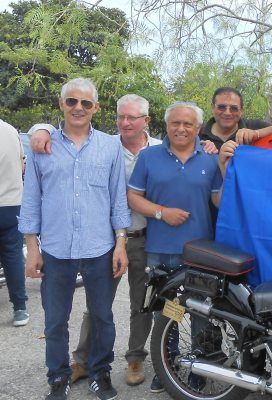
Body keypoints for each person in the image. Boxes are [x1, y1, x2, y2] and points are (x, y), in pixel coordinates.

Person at [27, 94, 162, 387]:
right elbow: (68, 131)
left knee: (141, 304)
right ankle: (83, 360)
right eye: (120, 116)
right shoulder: (106, 145)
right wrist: (42, 128)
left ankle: (135, 357)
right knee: (98, 306)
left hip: (147, 240)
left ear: (146, 120)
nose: (125, 122)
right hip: (109, 241)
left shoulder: (160, 151)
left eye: (132, 117)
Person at [19, 78, 130, 400]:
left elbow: (117, 199)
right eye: (72, 101)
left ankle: (100, 372)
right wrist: (32, 248)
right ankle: (58, 376)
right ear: (61, 103)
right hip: (56, 249)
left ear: (95, 108)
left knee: (103, 317)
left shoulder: (110, 146)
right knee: (55, 321)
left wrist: (120, 243)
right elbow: (31, 199)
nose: (78, 108)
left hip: (100, 248)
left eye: (85, 103)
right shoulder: (42, 146)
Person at [127, 101, 222, 393]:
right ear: (166, 125)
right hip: (161, 251)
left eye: (188, 124)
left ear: (198, 128)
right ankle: (166, 364)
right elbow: (133, 197)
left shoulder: (210, 158)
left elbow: (219, 200)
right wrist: (161, 213)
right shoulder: (149, 156)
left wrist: (228, 168)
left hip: (200, 252)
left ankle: (199, 367)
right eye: (175, 123)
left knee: (200, 312)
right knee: (167, 312)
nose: (181, 128)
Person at [0, 119, 29, 327]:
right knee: (13, 257)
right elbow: (22, 164)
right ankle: (20, 309)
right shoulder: (11, 130)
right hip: (12, 204)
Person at [200, 87, 271, 149]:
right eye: (221, 107)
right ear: (212, 108)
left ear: (241, 111)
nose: (227, 113)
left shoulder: (253, 127)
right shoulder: (198, 133)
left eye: (234, 108)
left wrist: (256, 133)